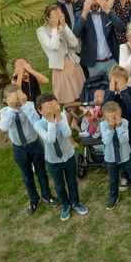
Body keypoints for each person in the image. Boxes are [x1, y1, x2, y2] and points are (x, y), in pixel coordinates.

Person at [0, 84, 58, 214]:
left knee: (41, 171)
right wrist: (10, 108)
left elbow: (36, 121)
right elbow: (3, 127)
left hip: (34, 144)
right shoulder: (5, 112)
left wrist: (24, 105)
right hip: (19, 148)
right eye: (14, 99)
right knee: (27, 176)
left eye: (19, 97)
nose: (17, 101)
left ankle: (47, 195)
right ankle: (33, 199)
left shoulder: (29, 106)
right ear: (5, 101)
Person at [33, 93, 89, 222]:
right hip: (53, 161)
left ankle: (75, 202)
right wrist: (51, 119)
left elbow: (68, 133)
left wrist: (58, 116)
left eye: (52, 106)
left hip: (68, 156)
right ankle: (65, 205)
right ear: (40, 111)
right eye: (46, 108)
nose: (50, 110)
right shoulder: (38, 125)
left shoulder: (62, 116)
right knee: (59, 185)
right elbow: (50, 139)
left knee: (72, 182)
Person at [100, 101, 131, 210]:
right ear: (104, 118)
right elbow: (106, 141)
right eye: (109, 118)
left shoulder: (124, 122)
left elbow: (124, 139)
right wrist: (110, 129)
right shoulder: (103, 125)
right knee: (113, 179)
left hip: (125, 155)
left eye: (115, 117)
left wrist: (118, 126)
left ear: (120, 113)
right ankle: (113, 196)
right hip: (111, 158)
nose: (112, 120)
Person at [37, 4, 85, 104]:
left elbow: (75, 43)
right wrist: (55, 28)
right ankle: (69, 120)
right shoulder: (41, 31)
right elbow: (54, 46)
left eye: (59, 13)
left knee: (79, 99)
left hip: (74, 64)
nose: (58, 17)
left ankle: (76, 119)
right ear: (48, 17)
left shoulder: (63, 26)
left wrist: (64, 26)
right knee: (69, 102)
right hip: (61, 69)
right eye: (54, 15)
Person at [73, 0, 126, 78]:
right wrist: (85, 12)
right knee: (97, 90)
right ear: (85, 0)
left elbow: (121, 28)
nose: (95, 2)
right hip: (93, 64)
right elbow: (76, 34)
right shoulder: (80, 15)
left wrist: (107, 10)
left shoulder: (108, 13)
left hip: (112, 61)